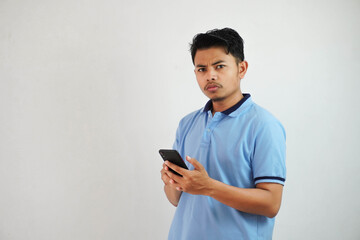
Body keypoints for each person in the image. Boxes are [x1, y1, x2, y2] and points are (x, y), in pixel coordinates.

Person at [160, 28, 286, 240]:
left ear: (241, 68)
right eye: (201, 69)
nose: (210, 75)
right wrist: (171, 181)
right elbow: (176, 199)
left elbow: (271, 203)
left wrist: (209, 187)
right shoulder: (188, 123)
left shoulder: (264, 125)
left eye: (219, 66)